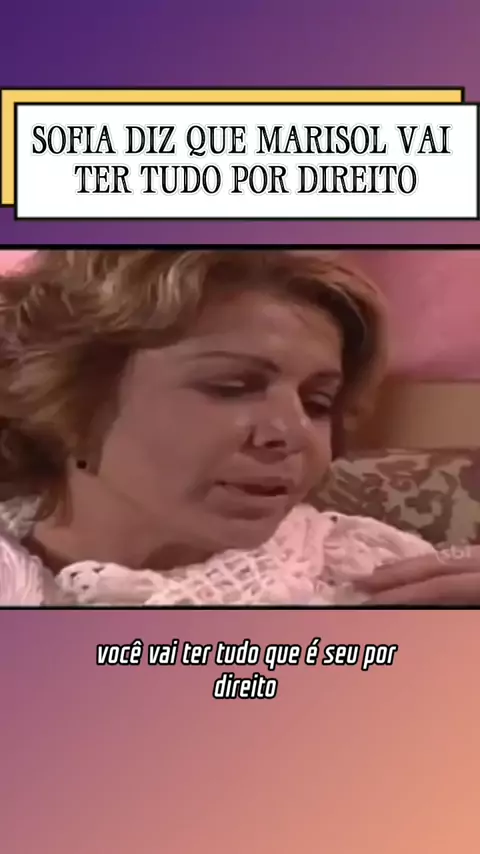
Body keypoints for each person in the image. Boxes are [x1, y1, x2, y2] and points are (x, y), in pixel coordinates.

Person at [0, 248, 478, 606]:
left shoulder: (374, 576)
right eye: (231, 387)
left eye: (318, 403)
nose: (293, 432)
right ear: (70, 401)